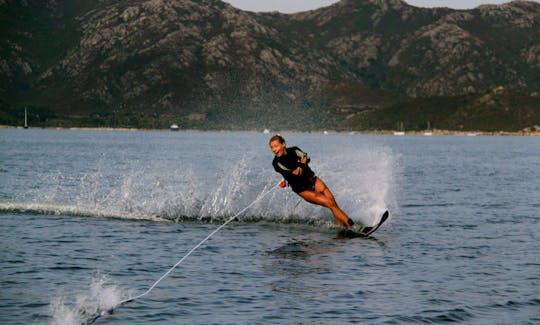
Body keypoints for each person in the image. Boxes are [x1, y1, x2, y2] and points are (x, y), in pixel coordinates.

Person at [269, 134, 356, 228]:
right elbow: (296, 173)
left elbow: (307, 158)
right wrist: (302, 163)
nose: (274, 149)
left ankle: (342, 227)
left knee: (334, 204)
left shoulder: (294, 150)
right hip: (302, 189)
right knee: (330, 204)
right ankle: (353, 226)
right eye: (272, 148)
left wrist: (302, 163)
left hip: (313, 180)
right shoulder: (276, 163)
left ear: (283, 144)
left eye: (276, 146)